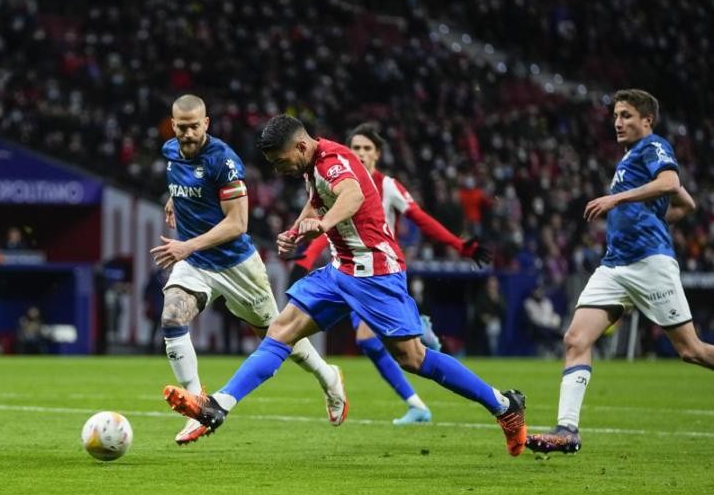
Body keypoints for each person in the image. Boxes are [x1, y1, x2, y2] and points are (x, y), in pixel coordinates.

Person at [163, 114, 528, 456]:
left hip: (376, 273)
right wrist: (297, 230)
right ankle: (218, 406)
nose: (278, 169)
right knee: (280, 331)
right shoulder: (313, 164)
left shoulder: (332, 160)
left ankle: (504, 405)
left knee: (412, 358)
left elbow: (350, 195)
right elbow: (317, 200)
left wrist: (322, 226)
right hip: (341, 271)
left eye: (280, 160)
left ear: (301, 147)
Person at [150, 96, 347, 446]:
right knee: (172, 316)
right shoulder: (171, 151)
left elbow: (238, 224)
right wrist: (175, 199)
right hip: (197, 264)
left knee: (279, 337)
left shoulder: (223, 161)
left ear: (206, 124)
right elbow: (184, 181)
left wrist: (187, 245)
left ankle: (329, 377)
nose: (188, 133)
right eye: (182, 127)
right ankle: (197, 403)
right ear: (173, 125)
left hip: (237, 265)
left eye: (195, 126)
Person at [526, 89, 714, 455]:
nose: (618, 122)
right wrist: (656, 217)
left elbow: (672, 185)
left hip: (649, 263)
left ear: (647, 120)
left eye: (627, 115)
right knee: (575, 340)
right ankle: (567, 429)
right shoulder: (628, 159)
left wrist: (617, 199)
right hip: (614, 266)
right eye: (616, 115)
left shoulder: (653, 146)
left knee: (691, 351)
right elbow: (686, 204)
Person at [291, 123, 491, 424]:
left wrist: (459, 245)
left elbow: (421, 219)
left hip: (379, 273)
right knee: (369, 343)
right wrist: (305, 258)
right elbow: (326, 227)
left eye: (367, 148)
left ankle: (420, 379)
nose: (361, 153)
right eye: (356, 148)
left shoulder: (388, 186)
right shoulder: (331, 180)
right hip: (347, 272)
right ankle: (416, 401)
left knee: (384, 344)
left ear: (378, 154)